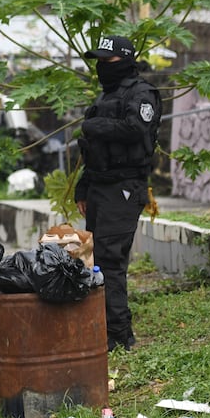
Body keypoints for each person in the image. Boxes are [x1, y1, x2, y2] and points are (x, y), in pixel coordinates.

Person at [76, 35, 162, 352]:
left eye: (107, 60)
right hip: (99, 187)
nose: (102, 66)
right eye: (98, 61)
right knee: (95, 260)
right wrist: (83, 187)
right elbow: (94, 150)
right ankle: (101, 329)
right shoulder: (106, 96)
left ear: (125, 59)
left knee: (110, 261)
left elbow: (135, 129)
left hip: (124, 187)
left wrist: (95, 125)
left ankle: (119, 335)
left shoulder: (142, 94)